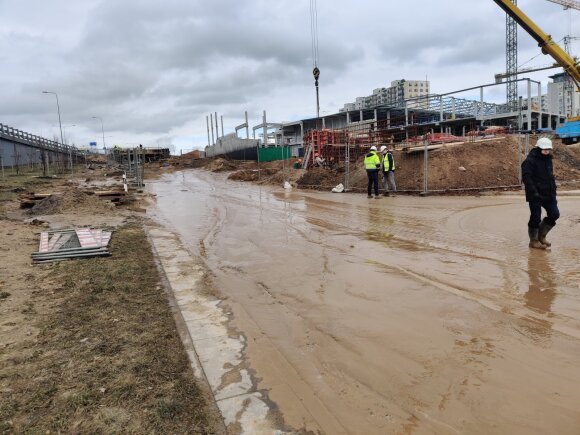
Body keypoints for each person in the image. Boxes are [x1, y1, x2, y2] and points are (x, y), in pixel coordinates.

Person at [521, 137, 560, 249]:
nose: (547, 151)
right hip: (535, 194)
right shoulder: (529, 161)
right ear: (538, 147)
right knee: (535, 217)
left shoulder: (548, 159)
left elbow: (550, 177)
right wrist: (534, 193)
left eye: (548, 149)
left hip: (549, 194)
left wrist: (553, 191)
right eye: (544, 149)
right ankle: (533, 241)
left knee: (554, 214)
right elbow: (527, 178)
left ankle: (541, 236)